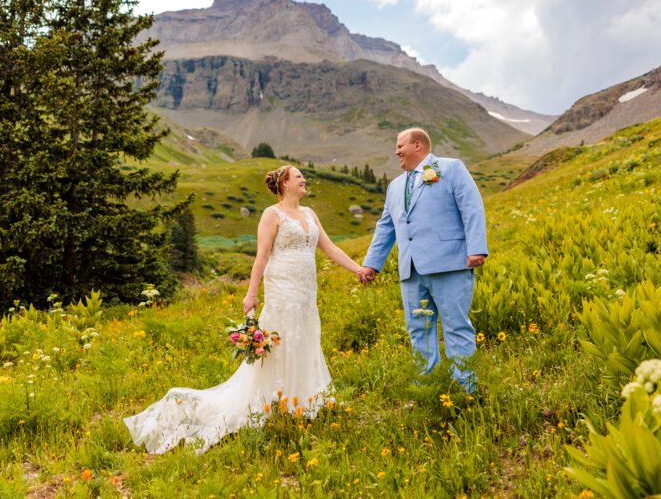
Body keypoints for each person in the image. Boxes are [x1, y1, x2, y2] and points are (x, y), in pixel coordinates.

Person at [123, 165, 364, 453]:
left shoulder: (311, 214)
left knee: (304, 338)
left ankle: (303, 399)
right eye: (298, 176)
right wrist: (251, 294)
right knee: (282, 342)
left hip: (305, 293)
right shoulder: (271, 215)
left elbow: (331, 248)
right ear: (285, 184)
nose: (304, 180)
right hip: (282, 290)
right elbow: (261, 255)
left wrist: (358, 269)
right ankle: (277, 403)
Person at [360, 127, 487, 389]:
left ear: (418, 145)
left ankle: (464, 389)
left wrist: (477, 248)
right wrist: (372, 263)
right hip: (411, 271)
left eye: (400, 146)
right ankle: (427, 389)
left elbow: (471, 206)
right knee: (419, 330)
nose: (396, 152)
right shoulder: (395, 186)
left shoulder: (450, 169)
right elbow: (386, 226)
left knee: (455, 327)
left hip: (449, 264)